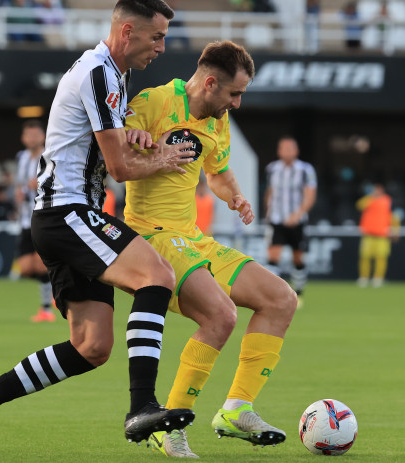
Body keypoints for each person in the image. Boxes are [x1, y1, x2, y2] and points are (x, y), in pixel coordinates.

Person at [0, 0, 197, 454]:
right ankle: (143, 405)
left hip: (64, 215)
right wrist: (161, 157)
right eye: (156, 37)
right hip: (69, 212)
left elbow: (108, 146)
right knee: (156, 276)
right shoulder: (99, 73)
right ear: (126, 31)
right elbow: (119, 168)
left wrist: (133, 135)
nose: (161, 47)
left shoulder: (113, 73)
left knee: (91, 346)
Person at [123, 40, 297, 458]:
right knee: (221, 315)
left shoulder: (216, 121)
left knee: (280, 300)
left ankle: (237, 409)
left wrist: (234, 195)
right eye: (234, 94)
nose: (237, 103)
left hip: (191, 236)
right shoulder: (154, 102)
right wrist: (133, 139)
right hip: (150, 238)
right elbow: (110, 155)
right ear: (211, 82)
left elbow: (215, 170)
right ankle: (169, 425)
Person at [264, 135, 317, 304]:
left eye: (290, 148)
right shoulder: (272, 168)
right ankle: (274, 294)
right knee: (273, 256)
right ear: (278, 151)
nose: (286, 151)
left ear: (296, 151)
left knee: (298, 258)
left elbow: (310, 195)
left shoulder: (305, 170)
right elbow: (270, 192)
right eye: (283, 148)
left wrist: (298, 214)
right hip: (277, 219)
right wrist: (268, 212)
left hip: (297, 221)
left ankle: (299, 292)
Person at [13, 119, 55, 322]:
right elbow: (19, 184)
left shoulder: (49, 156)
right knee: (26, 268)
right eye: (28, 135)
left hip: (42, 216)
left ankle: (46, 309)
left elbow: (57, 182)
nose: (32, 138)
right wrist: (18, 195)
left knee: (40, 265)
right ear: (23, 138)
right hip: (23, 220)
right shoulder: (21, 158)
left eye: (35, 134)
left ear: (43, 136)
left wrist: (40, 184)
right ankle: (57, 285)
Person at [356, 182, 399, 288]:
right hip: (368, 234)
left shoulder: (388, 200)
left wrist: (396, 230)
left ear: (382, 189)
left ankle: (378, 278)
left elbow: (393, 216)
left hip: (382, 235)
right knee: (365, 257)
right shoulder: (369, 199)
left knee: (381, 258)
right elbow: (359, 206)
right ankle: (364, 278)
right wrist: (371, 197)